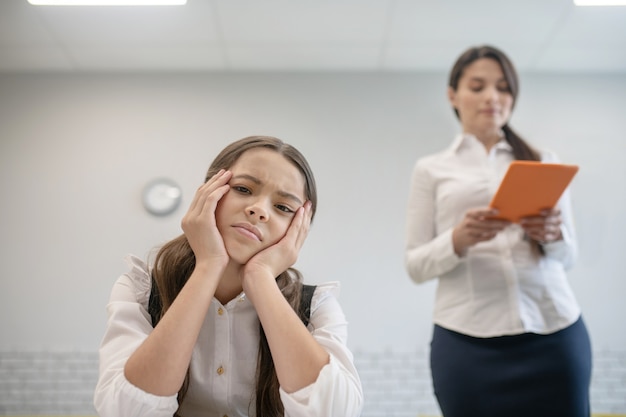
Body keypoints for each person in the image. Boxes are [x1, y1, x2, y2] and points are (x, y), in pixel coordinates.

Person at [94, 136, 363, 417]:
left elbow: (335, 412)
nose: (258, 210)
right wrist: (209, 265)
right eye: (243, 189)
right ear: (208, 192)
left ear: (298, 228)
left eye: (283, 207)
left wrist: (260, 278)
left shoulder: (317, 305)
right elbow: (124, 411)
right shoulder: (140, 289)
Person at [404, 46, 591, 417]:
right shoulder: (431, 169)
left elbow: (569, 258)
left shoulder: (542, 160)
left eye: (503, 88)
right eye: (478, 86)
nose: (492, 97)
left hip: (554, 333)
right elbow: (415, 265)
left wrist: (552, 235)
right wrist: (458, 240)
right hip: (467, 345)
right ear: (453, 95)